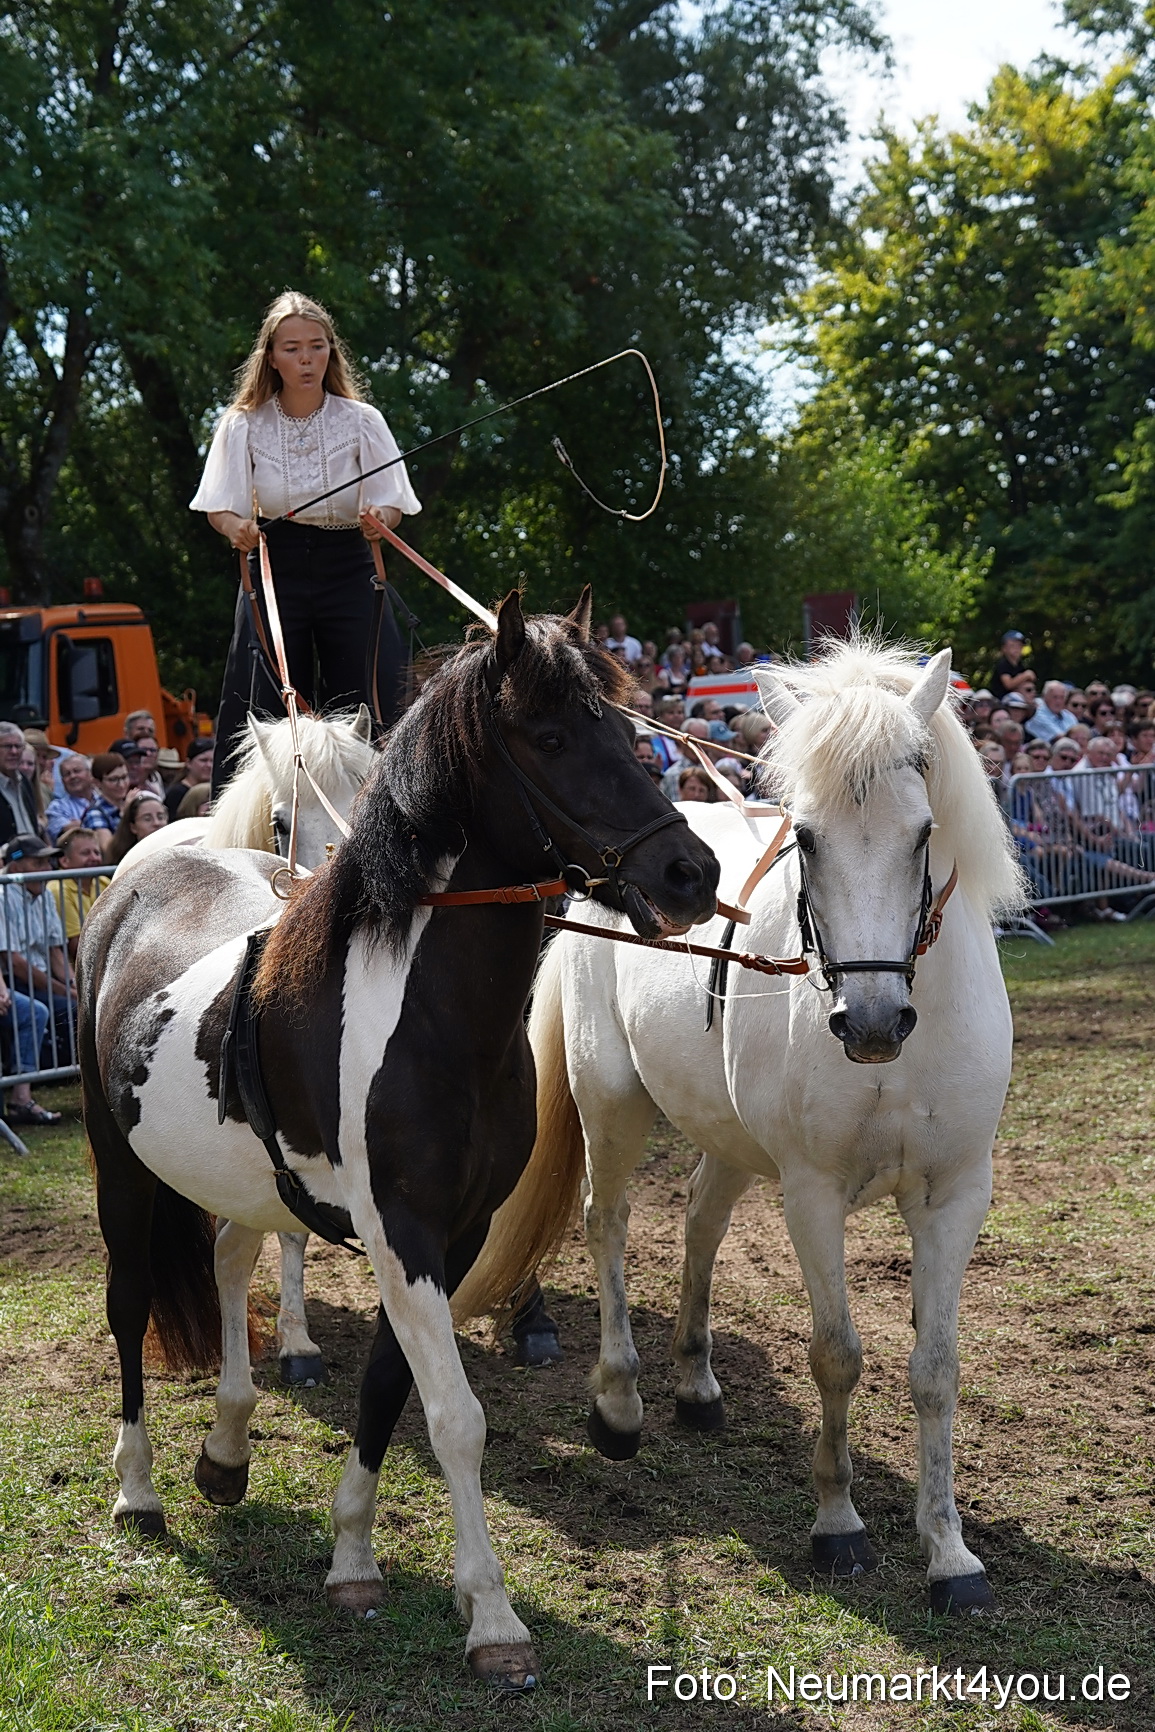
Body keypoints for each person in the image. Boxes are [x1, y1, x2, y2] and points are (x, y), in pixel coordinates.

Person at [190, 290, 421, 794]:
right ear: (271, 356)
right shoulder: (242, 424)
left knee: (374, 690)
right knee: (261, 695)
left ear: (330, 352)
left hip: (349, 561)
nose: (306, 359)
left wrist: (378, 516)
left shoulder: (363, 421)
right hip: (277, 564)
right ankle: (244, 821)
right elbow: (219, 506)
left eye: (317, 346)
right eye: (292, 348)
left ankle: (394, 812)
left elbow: (393, 502)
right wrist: (237, 528)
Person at [0, 835, 76, 1067]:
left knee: (82, 1003)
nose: (46, 870)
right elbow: (15, 963)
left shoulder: (45, 895)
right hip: (14, 981)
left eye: (47, 863)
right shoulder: (2, 896)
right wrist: (66, 992)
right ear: (15, 865)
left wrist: (74, 985)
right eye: (38, 863)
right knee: (70, 1009)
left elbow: (55, 953)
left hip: (41, 978)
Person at [49, 825, 109, 961]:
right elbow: (77, 946)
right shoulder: (58, 888)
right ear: (64, 861)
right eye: (85, 853)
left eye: (96, 852)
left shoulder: (104, 881)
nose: (94, 858)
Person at [0, 722, 43, 844]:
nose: (14, 752)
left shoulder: (24, 782)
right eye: (8, 746)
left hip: (31, 858)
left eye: (18, 746)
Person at [45, 754, 98, 841]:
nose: (72, 776)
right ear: (62, 781)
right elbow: (69, 836)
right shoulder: (57, 807)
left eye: (77, 771)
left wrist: (79, 825)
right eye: (67, 774)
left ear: (90, 774)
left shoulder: (103, 799)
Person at [108, 791, 168, 866]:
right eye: (147, 819)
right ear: (133, 827)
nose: (156, 823)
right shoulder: (125, 863)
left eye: (160, 817)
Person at [83, 752, 131, 842]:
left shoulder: (131, 801)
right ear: (97, 783)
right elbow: (108, 850)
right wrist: (125, 816)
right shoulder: (95, 813)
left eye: (124, 777)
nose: (121, 785)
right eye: (113, 779)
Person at [164, 736, 216, 818]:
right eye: (203, 760)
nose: (209, 765)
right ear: (188, 763)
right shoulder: (176, 794)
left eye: (212, 761)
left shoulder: (215, 790)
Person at [992, 630, 1035, 701]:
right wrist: (1026, 675)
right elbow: (1008, 684)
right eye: (1012, 645)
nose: (1016, 648)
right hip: (1002, 701)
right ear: (1004, 648)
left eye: (1019, 645)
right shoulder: (1003, 664)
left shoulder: (1020, 665)